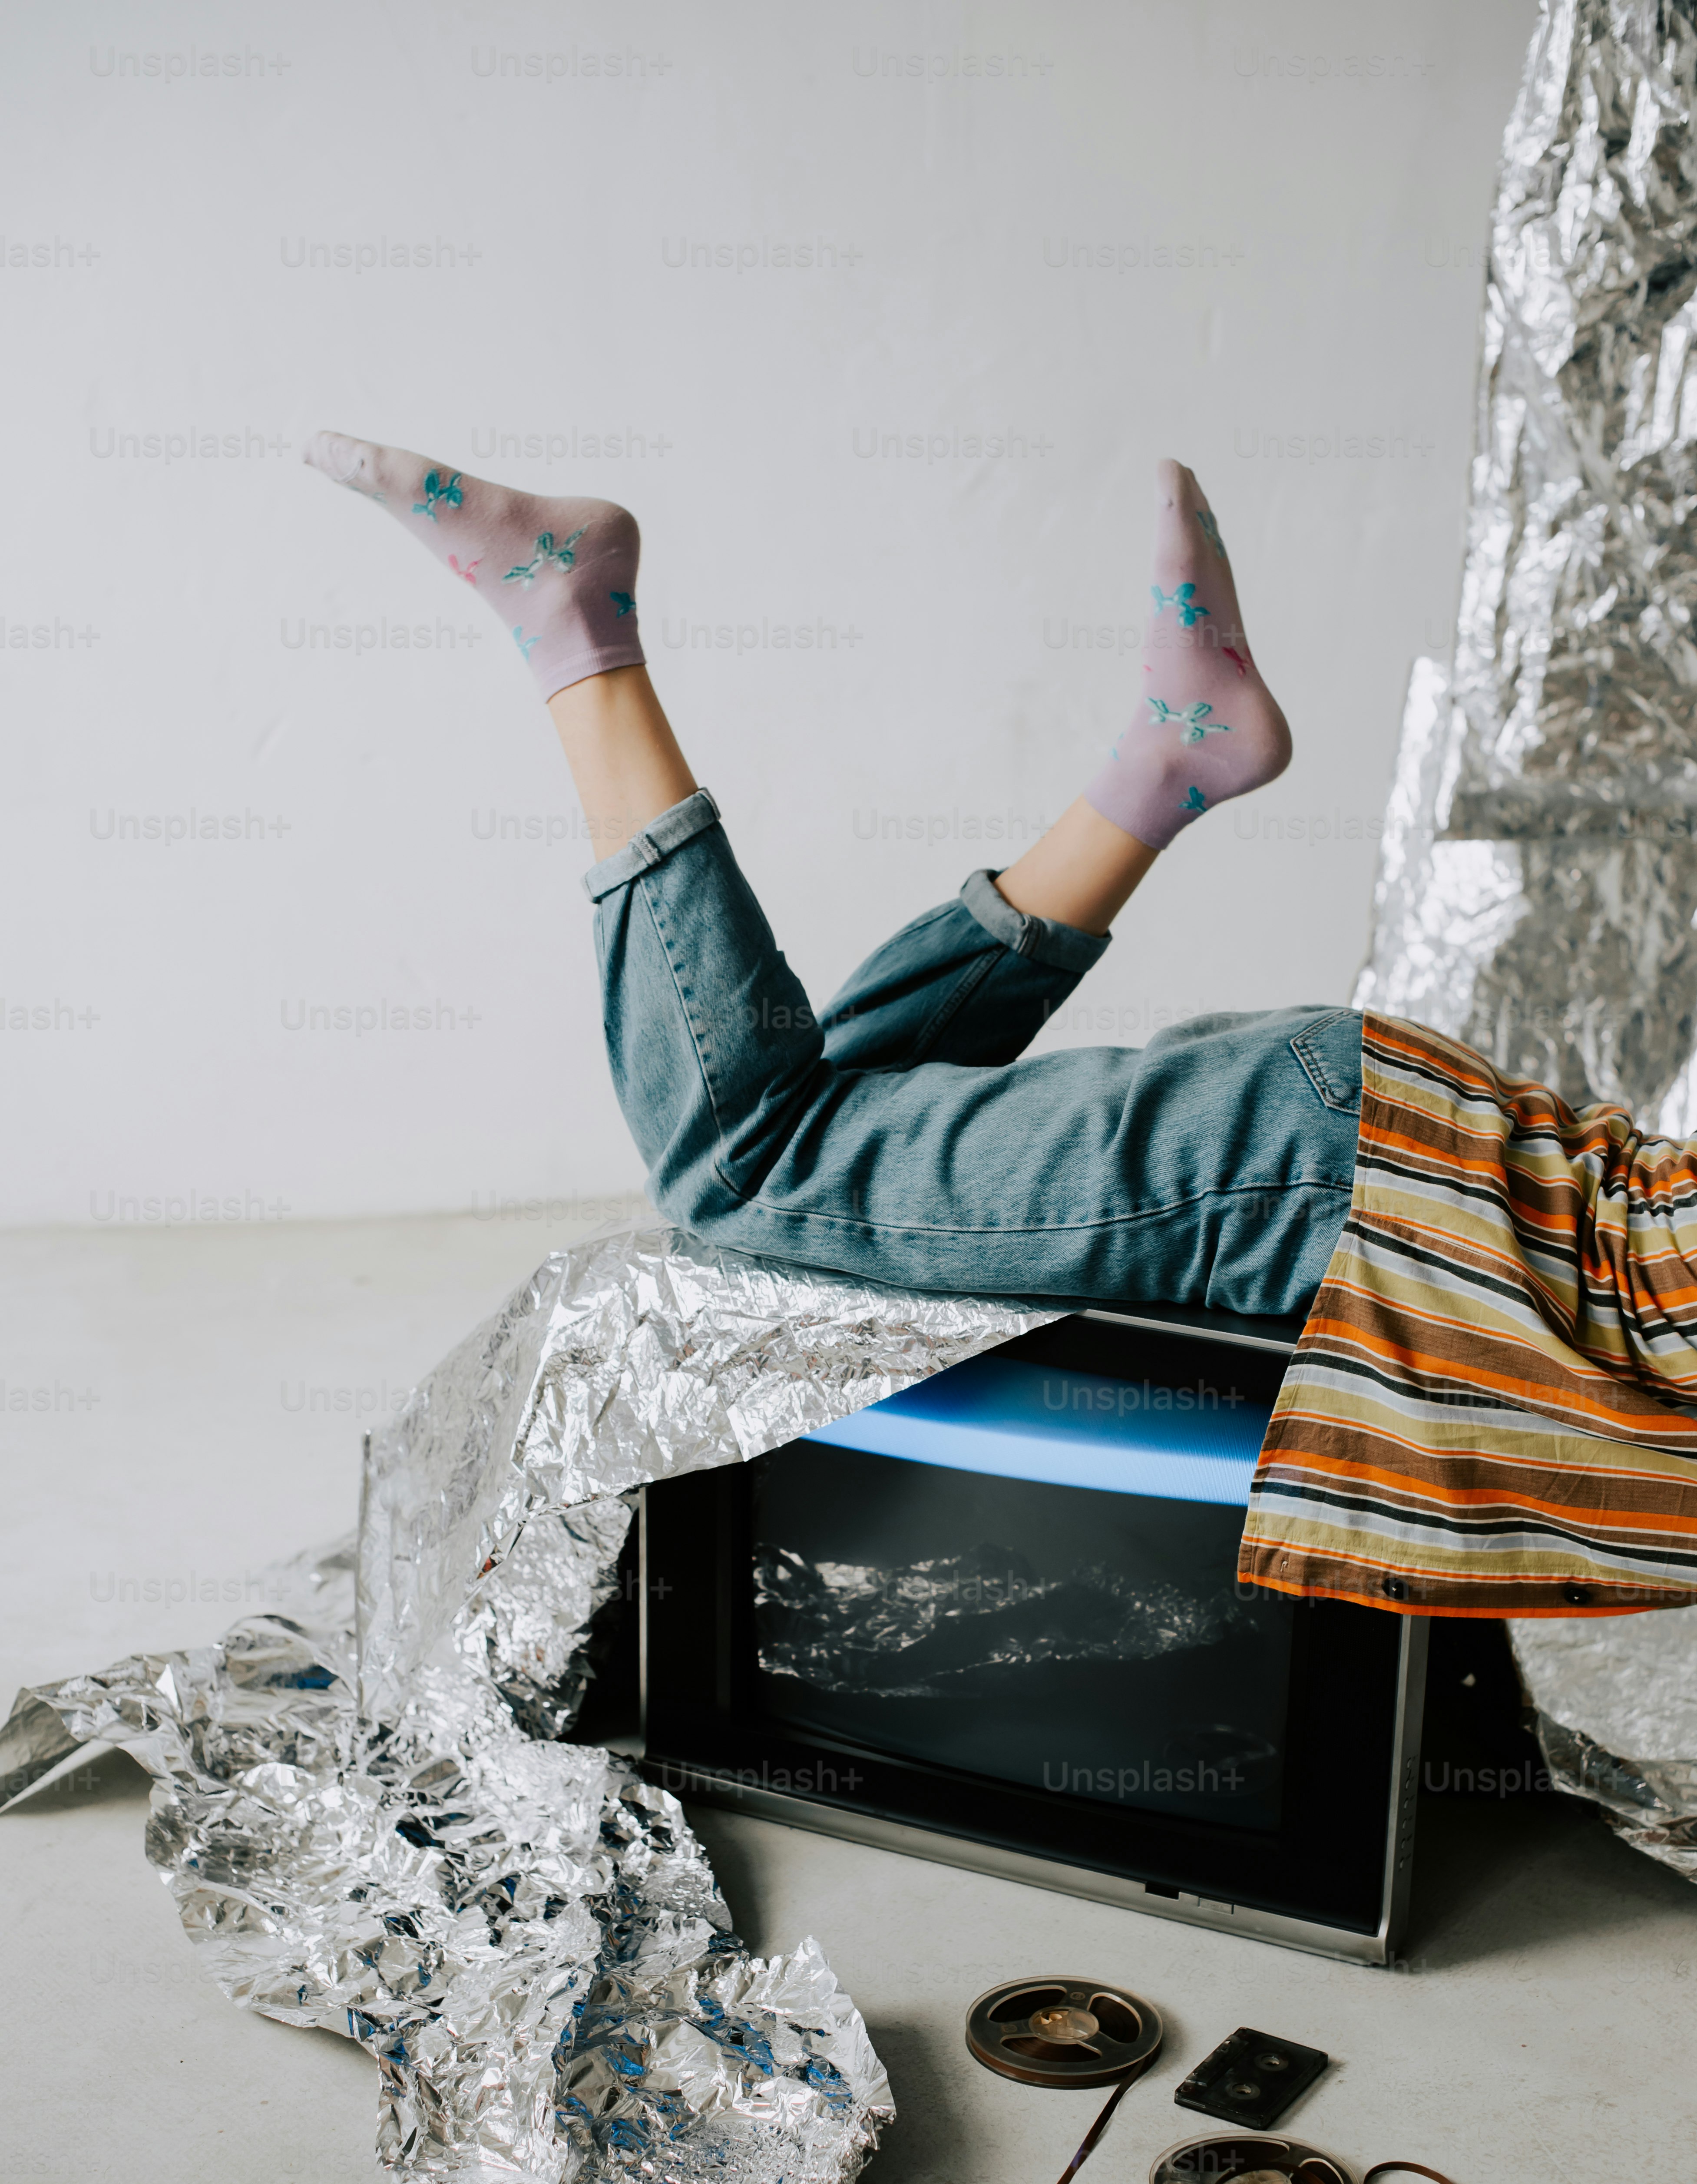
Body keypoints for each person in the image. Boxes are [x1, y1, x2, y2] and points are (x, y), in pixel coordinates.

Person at [304, 435, 1697, 1621]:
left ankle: (1164, 765)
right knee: (750, 1167)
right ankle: (576, 638)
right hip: (1362, 1202)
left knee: (834, 1119)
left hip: (1393, 1159)